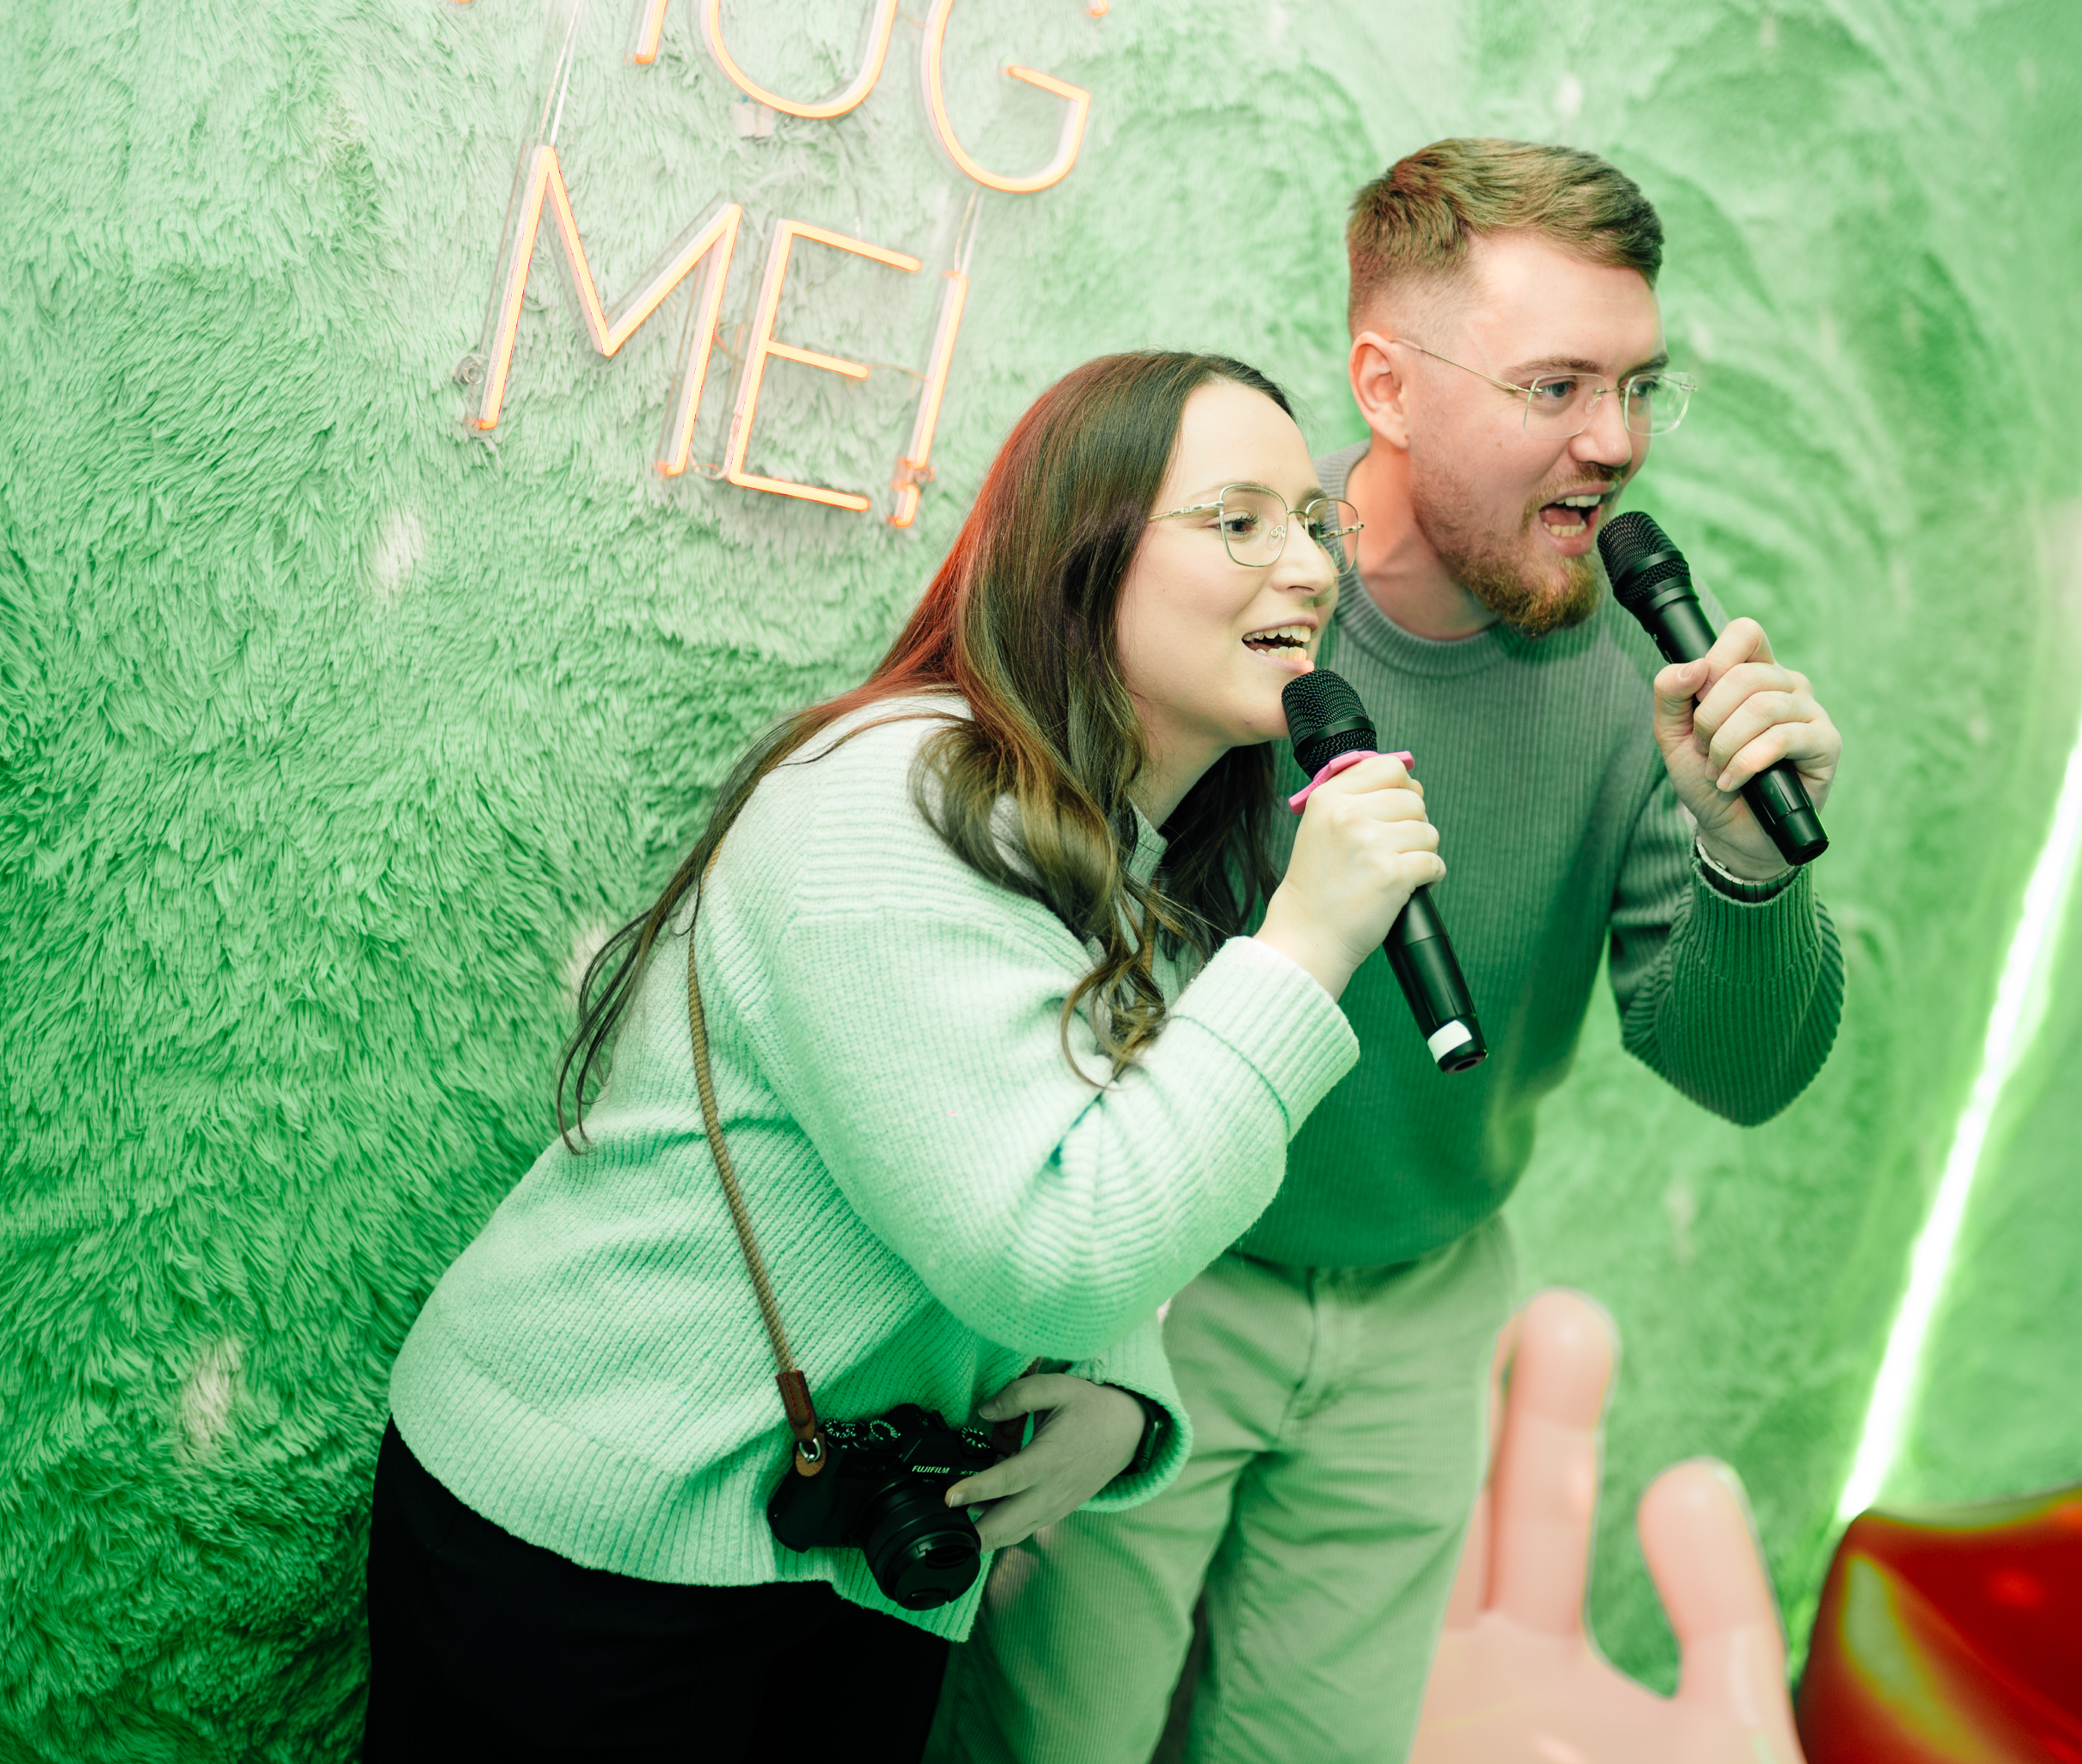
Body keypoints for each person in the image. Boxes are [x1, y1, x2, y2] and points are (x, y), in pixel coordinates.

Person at [366, 352, 1451, 1762]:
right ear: (1081, 557)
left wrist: (1124, 1403)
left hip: (844, 1558)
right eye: (1238, 521)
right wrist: (1304, 945)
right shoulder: (892, 806)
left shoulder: (1132, 862)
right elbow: (1045, 1242)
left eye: (1316, 522)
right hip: (599, 1523)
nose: (1305, 566)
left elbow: (1083, 1161)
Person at [931, 140, 1847, 1763]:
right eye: (1556, 383)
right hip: (1172, 1283)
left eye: (1640, 385)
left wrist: (1749, 865)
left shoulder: (1644, 676)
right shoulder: (1233, 610)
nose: (1616, 442)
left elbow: (1742, 1070)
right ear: (1388, 383)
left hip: (1428, 1309)